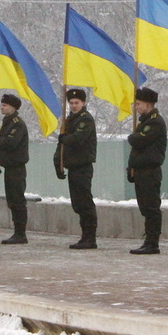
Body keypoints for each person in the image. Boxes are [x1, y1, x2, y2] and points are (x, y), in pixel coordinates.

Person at [54, 87, 98, 249]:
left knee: (85, 203)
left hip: (83, 166)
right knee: (78, 204)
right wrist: (58, 163)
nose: (73, 106)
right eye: (71, 103)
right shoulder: (69, 120)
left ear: (83, 103)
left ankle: (90, 237)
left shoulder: (85, 119)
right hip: (73, 166)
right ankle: (84, 236)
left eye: (76, 103)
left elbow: (78, 139)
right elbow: (62, 145)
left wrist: (66, 138)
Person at [127, 86, 167, 255]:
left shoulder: (155, 122)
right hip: (141, 171)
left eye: (138, 104)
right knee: (145, 207)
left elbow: (139, 142)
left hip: (150, 171)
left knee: (151, 207)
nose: (136, 107)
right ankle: (148, 240)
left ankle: (152, 242)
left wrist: (132, 137)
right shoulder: (144, 122)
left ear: (147, 104)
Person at [0, 93, 30, 244]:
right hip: (9, 166)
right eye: (1, 105)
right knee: (12, 200)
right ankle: (17, 232)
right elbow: (1, 148)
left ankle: (21, 233)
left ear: (13, 108)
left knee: (17, 200)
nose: (2, 107)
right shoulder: (6, 123)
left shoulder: (17, 123)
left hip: (17, 167)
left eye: (5, 105)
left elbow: (10, 143)